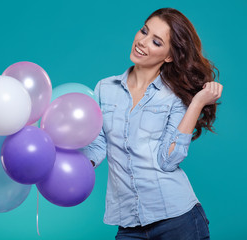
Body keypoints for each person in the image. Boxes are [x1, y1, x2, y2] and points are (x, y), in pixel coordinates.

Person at [80, 8, 223, 240]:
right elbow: (98, 147)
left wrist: (196, 104)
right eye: (144, 31)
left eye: (156, 42)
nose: (142, 42)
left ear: (169, 56)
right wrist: (70, 164)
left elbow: (169, 160)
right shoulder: (104, 89)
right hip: (128, 222)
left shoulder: (174, 97)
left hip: (177, 220)